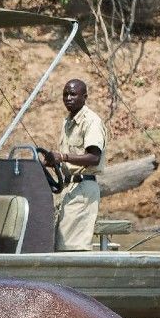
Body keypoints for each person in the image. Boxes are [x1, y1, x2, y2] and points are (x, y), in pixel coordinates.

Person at [42, 79, 107, 251]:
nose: (68, 98)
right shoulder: (67, 121)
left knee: (73, 245)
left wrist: (62, 157)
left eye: (73, 94)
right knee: (60, 242)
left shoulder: (91, 121)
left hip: (83, 188)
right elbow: (69, 159)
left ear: (84, 97)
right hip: (68, 188)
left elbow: (94, 158)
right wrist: (52, 162)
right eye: (65, 94)